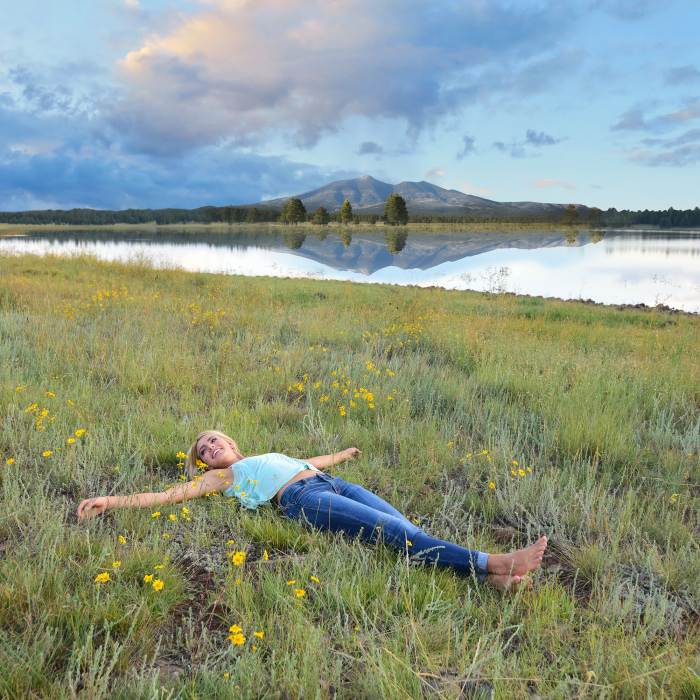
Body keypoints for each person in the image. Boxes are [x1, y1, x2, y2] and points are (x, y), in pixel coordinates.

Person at [77, 430, 547, 590]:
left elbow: (309, 462)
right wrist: (112, 501)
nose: (211, 444)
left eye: (215, 437)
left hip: (329, 481)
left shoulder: (262, 456)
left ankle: (489, 581)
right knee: (389, 530)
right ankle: (494, 562)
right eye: (203, 447)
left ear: (232, 441)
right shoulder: (222, 478)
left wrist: (342, 455)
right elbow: (167, 497)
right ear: (202, 461)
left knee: (404, 525)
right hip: (304, 501)